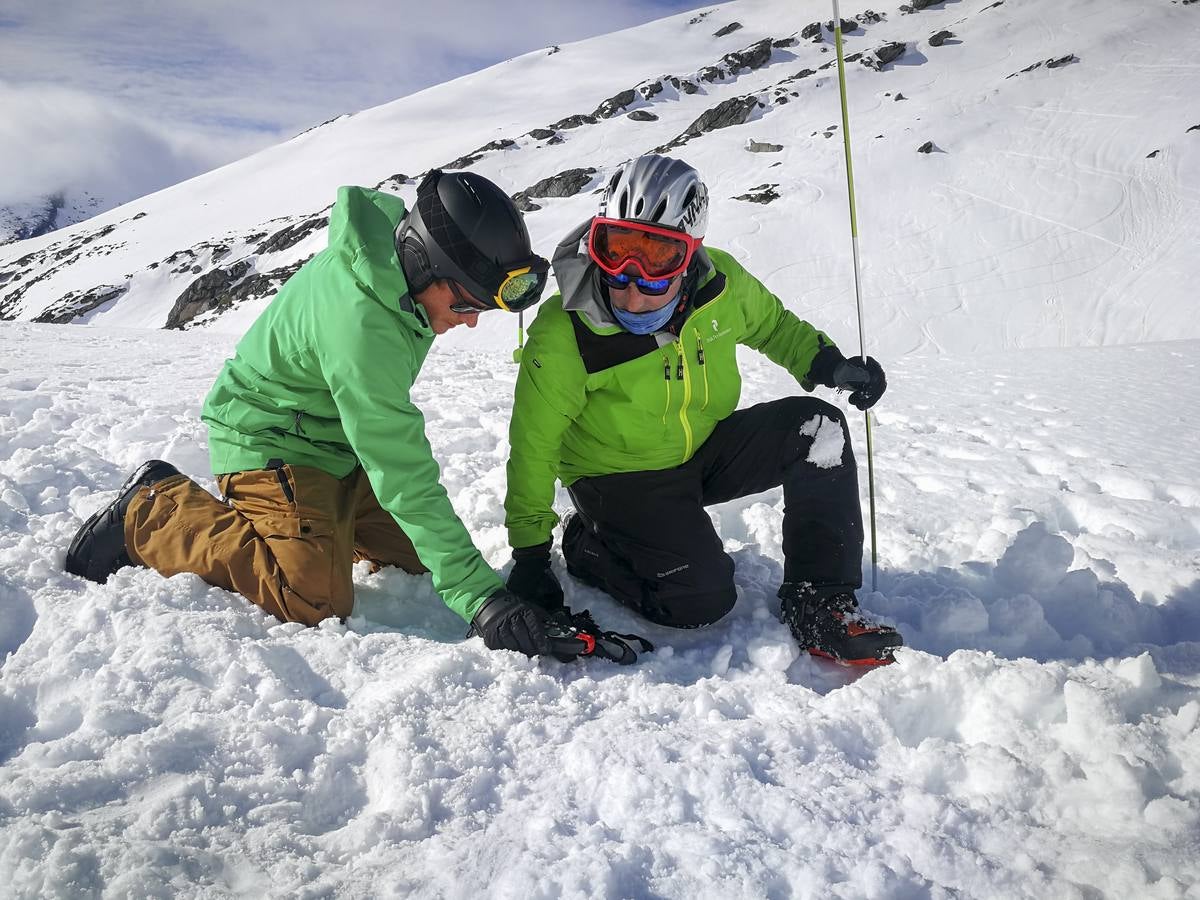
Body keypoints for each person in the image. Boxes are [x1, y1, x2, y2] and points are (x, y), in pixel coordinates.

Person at [64, 170, 642, 663]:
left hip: (337, 446)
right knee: (312, 596)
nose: (468, 322)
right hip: (268, 439)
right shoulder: (363, 322)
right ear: (425, 265)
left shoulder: (399, 273)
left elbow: (386, 451)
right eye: (465, 303)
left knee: (423, 565)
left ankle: (327, 521)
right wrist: (482, 599)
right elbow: (401, 468)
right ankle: (155, 511)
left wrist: (470, 585)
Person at [502, 153, 904, 666]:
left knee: (816, 426)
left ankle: (820, 598)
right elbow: (533, 446)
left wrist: (829, 364)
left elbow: (774, 327)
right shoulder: (565, 332)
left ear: (690, 255)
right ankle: (587, 544)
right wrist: (531, 555)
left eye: (659, 258)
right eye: (617, 250)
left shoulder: (722, 286)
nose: (631, 281)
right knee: (699, 601)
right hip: (619, 475)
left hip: (703, 448)